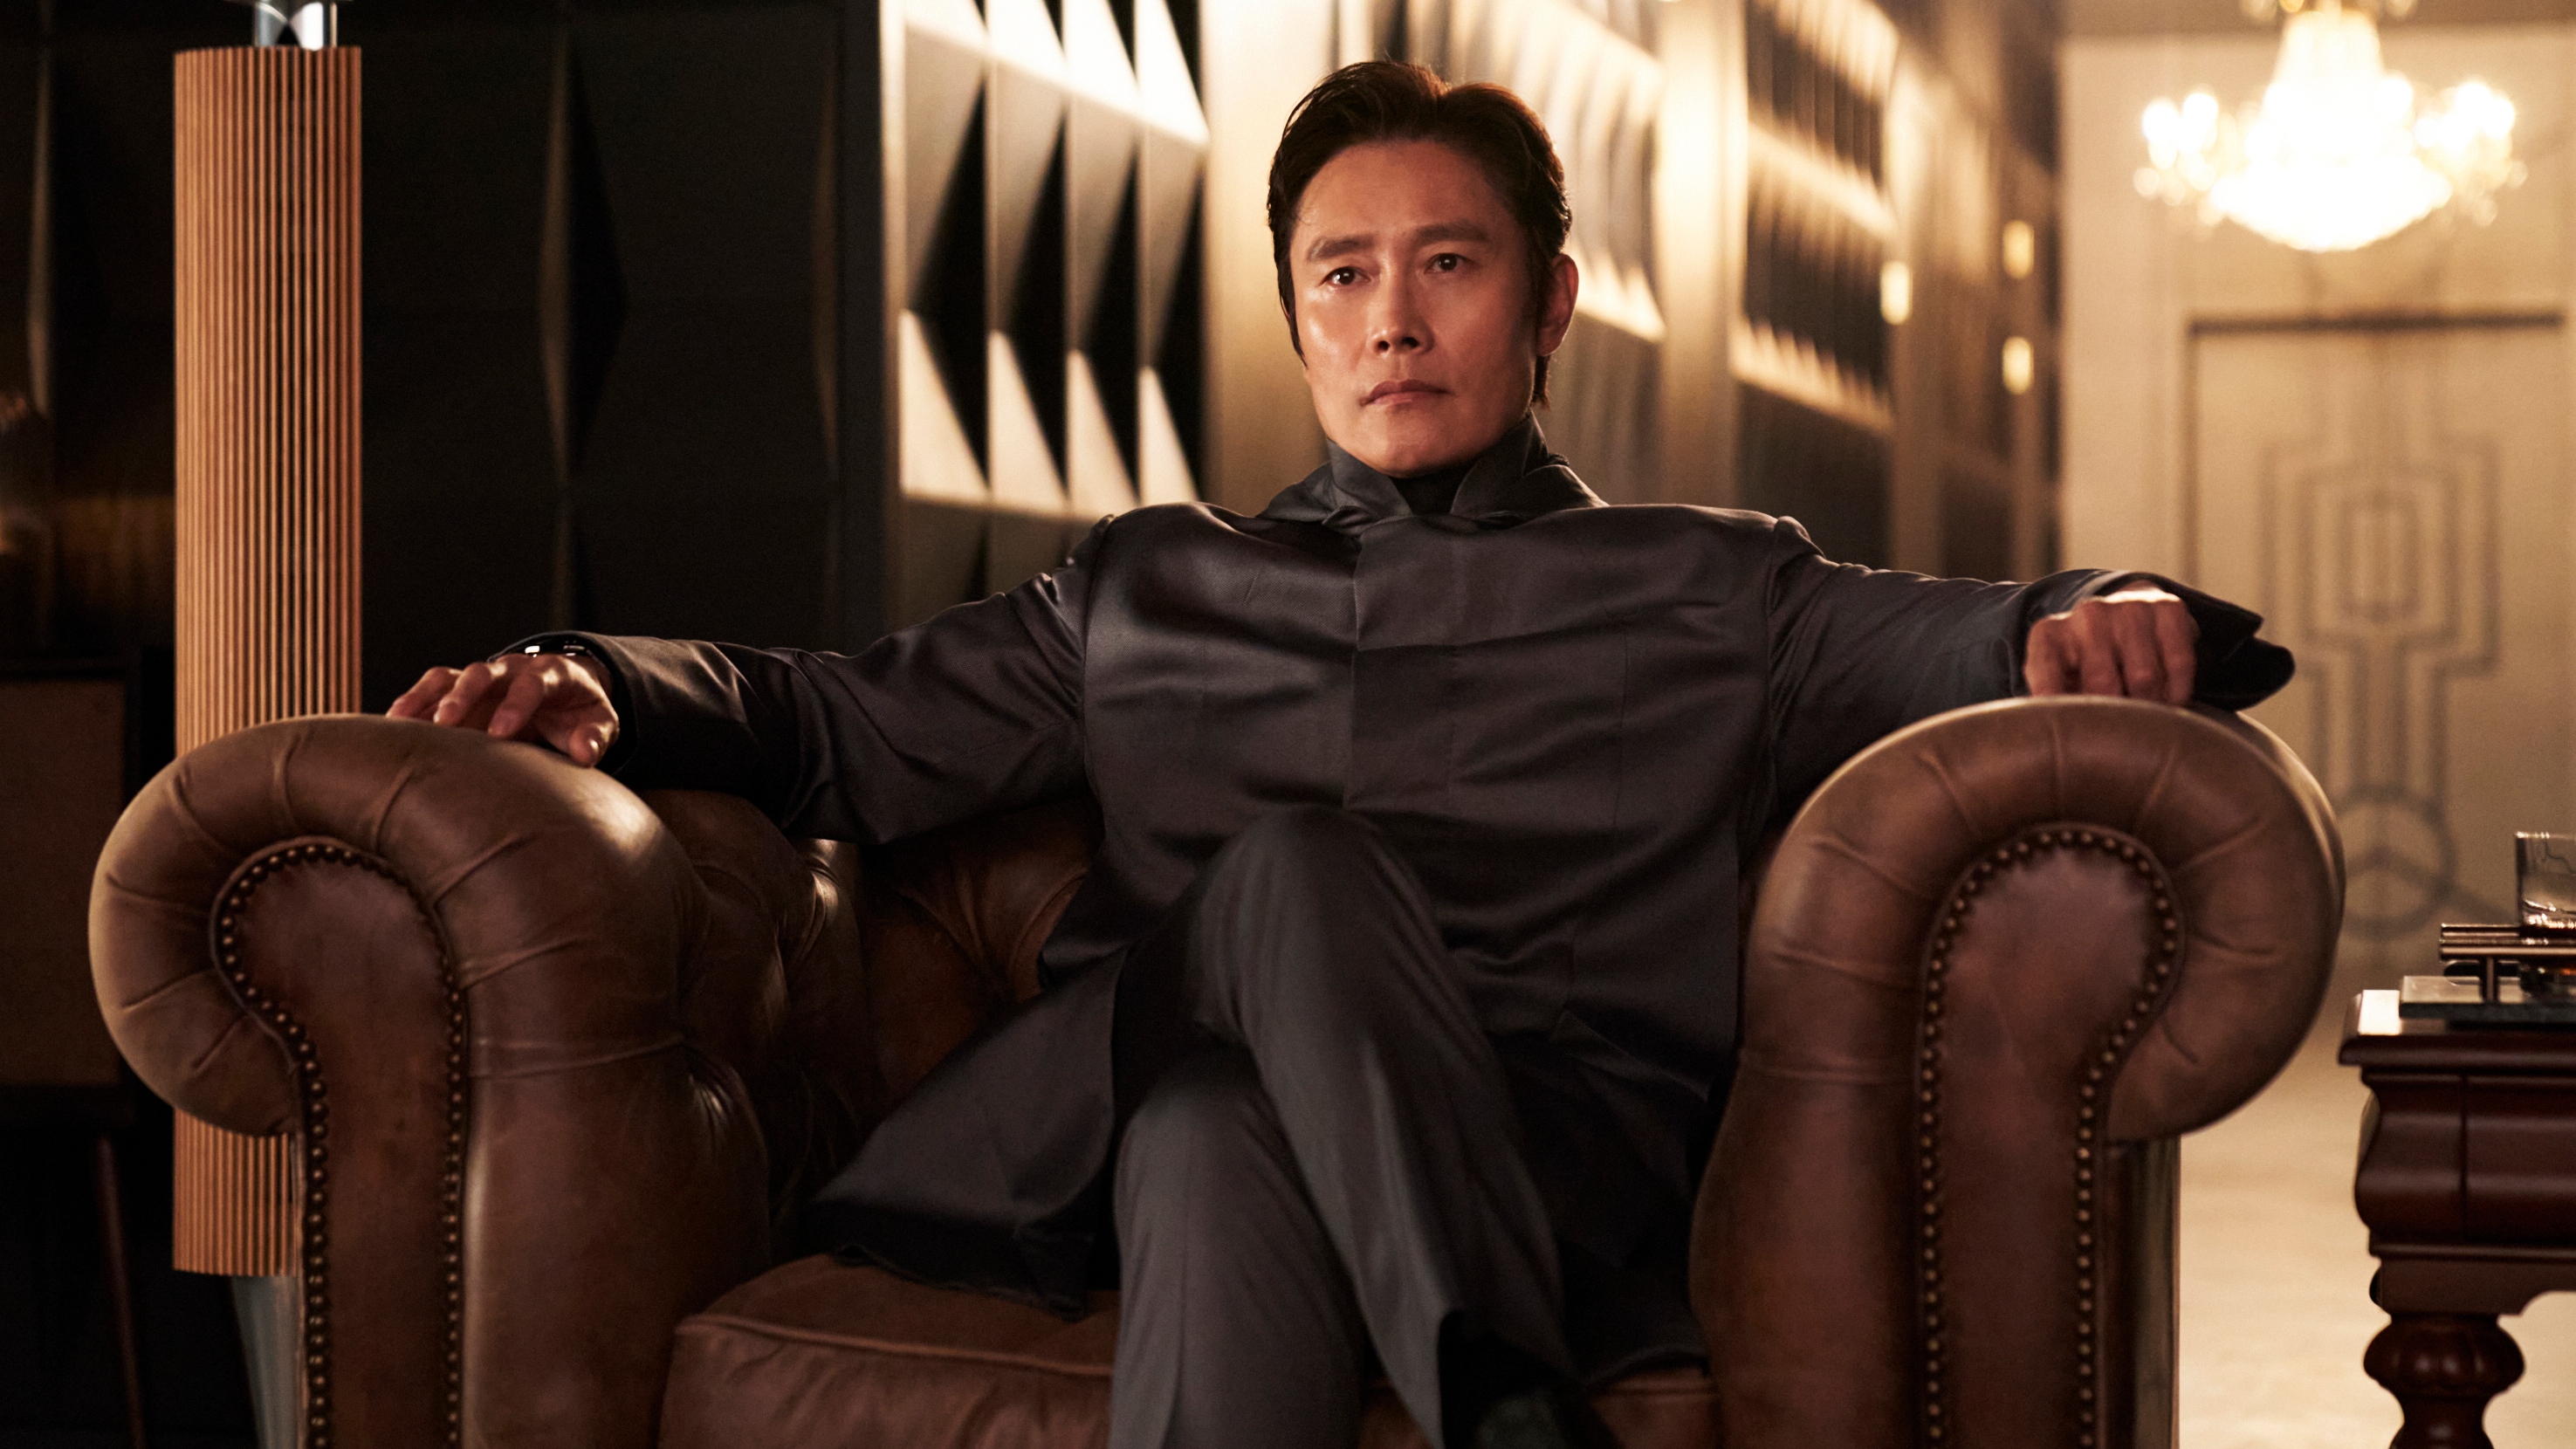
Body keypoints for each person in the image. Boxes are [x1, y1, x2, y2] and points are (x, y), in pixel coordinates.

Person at [389, 62, 2290, 1449]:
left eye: (1448, 263)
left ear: (1548, 303)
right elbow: (832, 720)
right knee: (1275, 914)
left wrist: (2106, 605)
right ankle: (1507, 1402)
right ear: (1298, 319)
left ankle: (1490, 1377)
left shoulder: (1714, 587)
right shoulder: (1148, 585)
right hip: (1119, 1101)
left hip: (1545, 1145)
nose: (1393, 320)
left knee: (1222, 1134)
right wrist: (596, 681)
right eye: (1342, 274)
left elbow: (1972, 629)